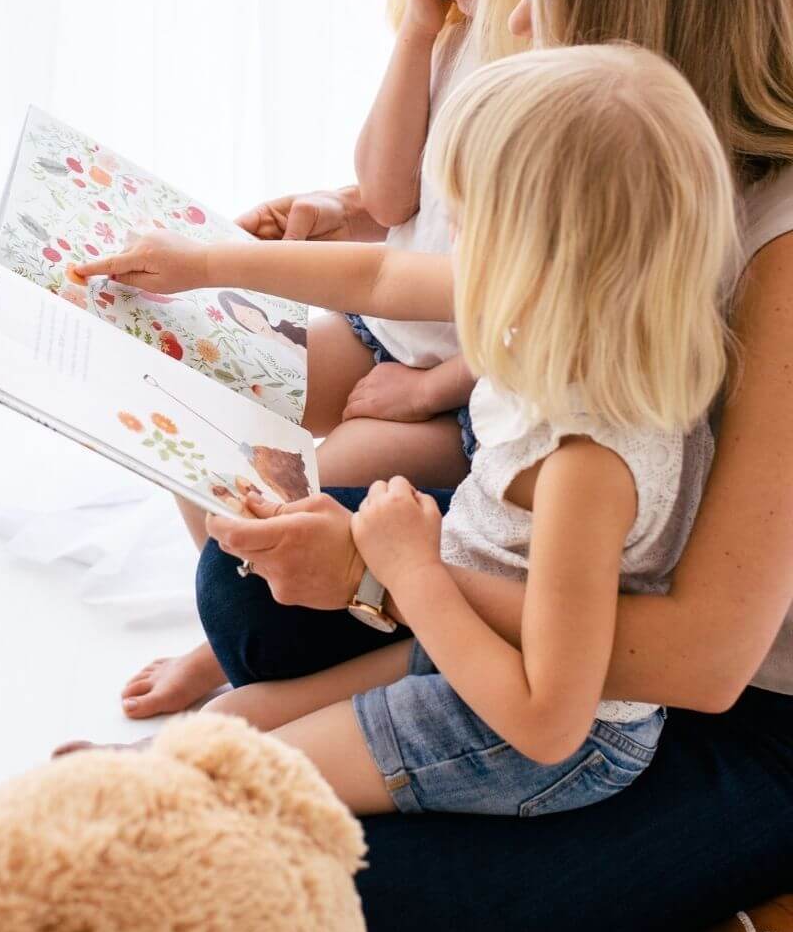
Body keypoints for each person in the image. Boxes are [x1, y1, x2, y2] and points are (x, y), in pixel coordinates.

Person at [192, 0, 793, 932]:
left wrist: (386, 580)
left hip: (742, 715)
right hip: (591, 618)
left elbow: (708, 660)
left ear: (643, 8)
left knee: (324, 899)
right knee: (248, 600)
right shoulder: (626, 178)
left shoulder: (778, 249)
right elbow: (415, 264)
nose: (516, 12)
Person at [79, 45, 738, 819]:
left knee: (228, 783)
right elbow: (379, 278)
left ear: (539, 261)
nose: (449, 246)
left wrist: (406, 568)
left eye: (468, 224)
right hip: (473, 645)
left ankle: (116, 815)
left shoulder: (587, 465)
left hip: (538, 731)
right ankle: (128, 785)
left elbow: (548, 722)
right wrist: (209, 263)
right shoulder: (576, 317)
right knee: (230, 722)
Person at [122, 0, 602, 720]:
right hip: (395, 335)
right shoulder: (461, 29)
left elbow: (561, 296)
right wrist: (416, 37)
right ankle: (232, 639)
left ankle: (258, 648)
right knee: (196, 400)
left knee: (312, 494)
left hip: (481, 384)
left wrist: (435, 385)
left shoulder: (567, 75)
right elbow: (392, 192)